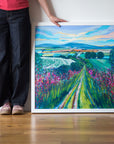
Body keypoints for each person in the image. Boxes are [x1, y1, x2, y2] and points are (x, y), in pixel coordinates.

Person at [0, 0, 66, 115]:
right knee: (1, 58)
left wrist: (50, 15)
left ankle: (18, 102)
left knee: (20, 58)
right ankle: (4, 101)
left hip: (19, 13)